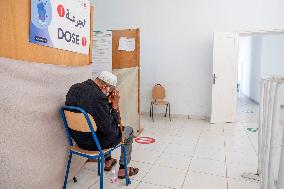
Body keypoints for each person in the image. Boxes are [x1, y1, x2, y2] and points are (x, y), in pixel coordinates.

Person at [65, 71, 139, 178]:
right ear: (105, 86)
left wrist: (106, 104)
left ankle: (108, 161)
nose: (109, 93)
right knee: (129, 130)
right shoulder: (99, 97)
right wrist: (114, 106)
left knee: (101, 126)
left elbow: (96, 115)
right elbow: (111, 130)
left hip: (78, 141)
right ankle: (123, 169)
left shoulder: (74, 88)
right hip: (94, 144)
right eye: (110, 90)